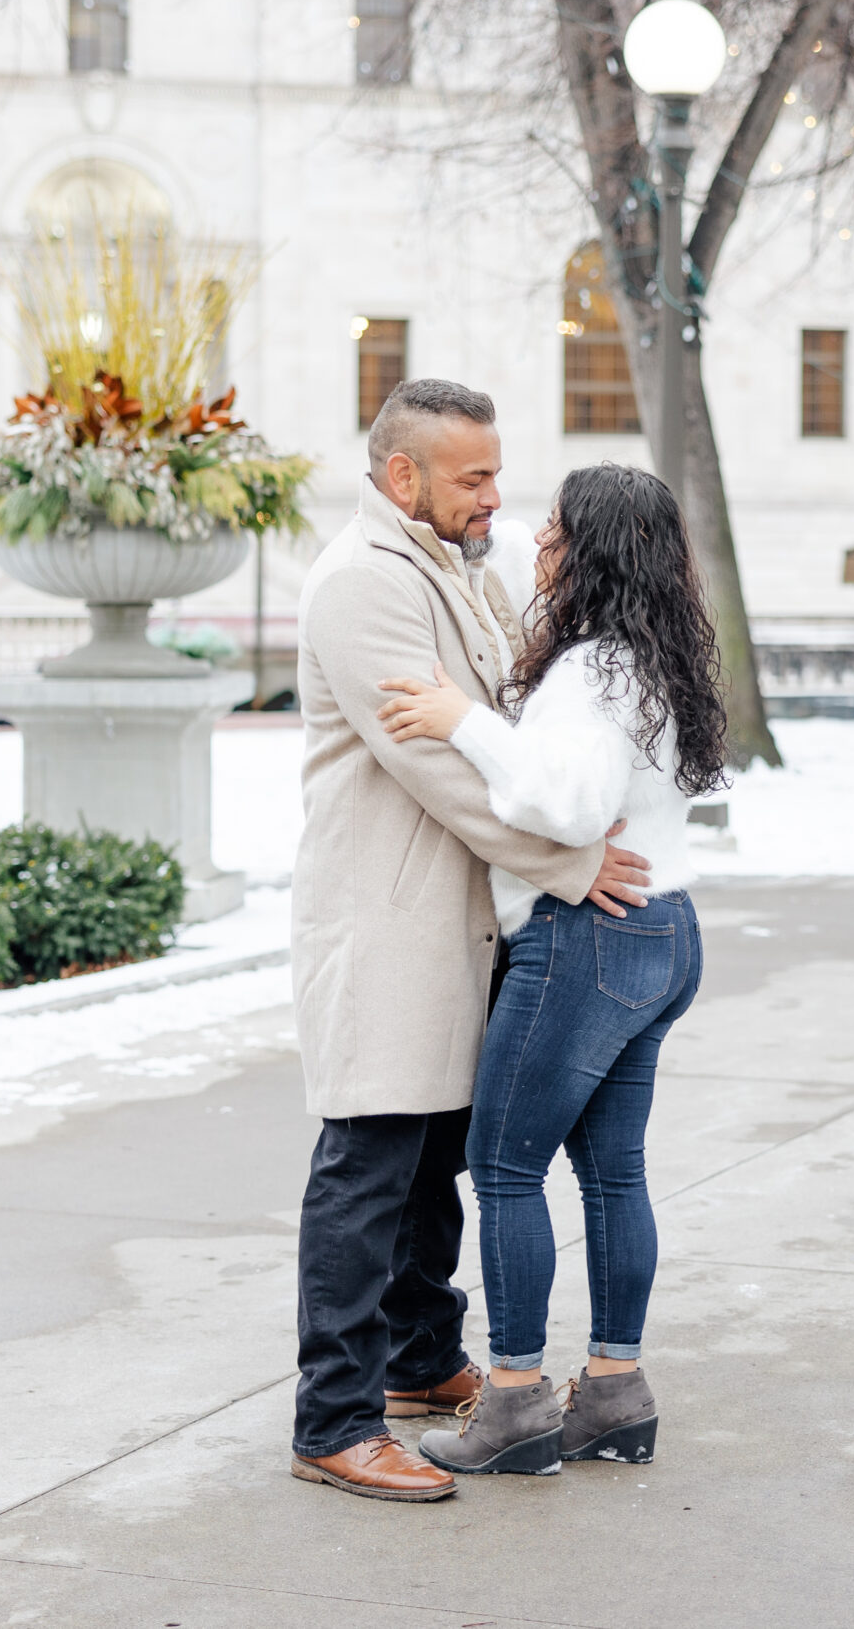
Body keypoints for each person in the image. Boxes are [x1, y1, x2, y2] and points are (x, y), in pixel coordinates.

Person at [289, 381, 654, 1505]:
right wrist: (572, 866)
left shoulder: (460, 568)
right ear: (403, 478)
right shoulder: (364, 587)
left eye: (498, 473)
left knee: (433, 1164)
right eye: (473, 478)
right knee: (367, 1167)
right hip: (390, 918)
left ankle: (417, 1362)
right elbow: (440, 765)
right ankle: (332, 1421)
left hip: (466, 923)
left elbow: (508, 715)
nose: (497, 496)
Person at [374, 461, 725, 1477]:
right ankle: (614, 1392)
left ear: (595, 552)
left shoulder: (587, 674)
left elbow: (565, 809)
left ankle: (517, 1402)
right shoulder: (651, 654)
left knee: (504, 1167)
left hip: (591, 938)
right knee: (613, 1173)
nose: (540, 540)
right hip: (665, 930)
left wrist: (460, 720)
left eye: (558, 529)